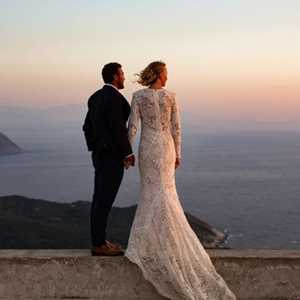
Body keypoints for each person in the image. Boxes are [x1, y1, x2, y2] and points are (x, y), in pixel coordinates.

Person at [124, 61, 237, 299]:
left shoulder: (137, 96)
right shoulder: (171, 97)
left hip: (148, 148)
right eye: (165, 73)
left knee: (150, 193)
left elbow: (132, 127)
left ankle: (145, 244)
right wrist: (179, 153)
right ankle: (165, 243)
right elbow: (177, 128)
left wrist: (128, 152)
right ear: (158, 74)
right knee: (166, 193)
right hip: (165, 149)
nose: (167, 77)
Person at [85, 62, 135, 256]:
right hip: (112, 158)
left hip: (99, 156)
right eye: (122, 74)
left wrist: (96, 147)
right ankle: (99, 245)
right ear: (115, 76)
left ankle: (99, 240)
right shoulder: (114, 98)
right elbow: (117, 129)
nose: (124, 77)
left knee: (99, 199)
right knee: (104, 200)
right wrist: (127, 153)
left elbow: (87, 127)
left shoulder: (95, 98)